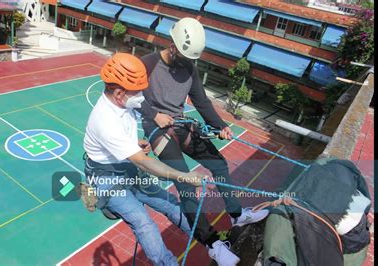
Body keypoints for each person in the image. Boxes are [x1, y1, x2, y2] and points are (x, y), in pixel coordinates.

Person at [138, 18, 269, 265]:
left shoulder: (189, 67)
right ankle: (212, 244)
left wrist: (222, 126)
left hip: (179, 124)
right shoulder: (149, 64)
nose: (188, 61)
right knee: (187, 184)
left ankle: (237, 215)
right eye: (185, 55)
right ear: (173, 44)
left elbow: (201, 101)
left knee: (218, 164)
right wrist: (154, 114)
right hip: (157, 130)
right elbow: (131, 95)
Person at [83, 53, 214, 266]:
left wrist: (134, 144)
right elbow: (144, 162)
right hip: (107, 179)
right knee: (143, 222)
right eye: (138, 91)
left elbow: (127, 142)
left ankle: (210, 242)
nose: (142, 96)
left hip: (125, 168)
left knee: (171, 204)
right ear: (119, 93)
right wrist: (184, 176)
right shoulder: (105, 121)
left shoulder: (122, 104)